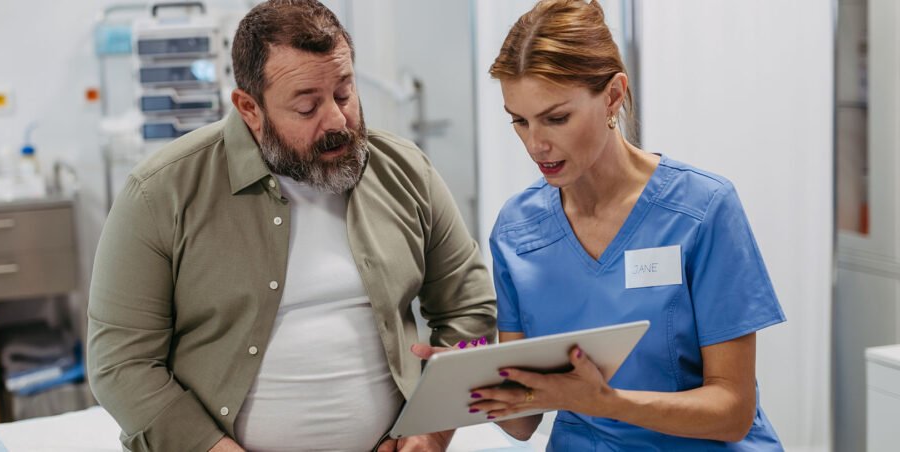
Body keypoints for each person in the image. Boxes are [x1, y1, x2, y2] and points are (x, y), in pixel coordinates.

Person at [86, 1, 496, 451]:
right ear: (249, 108)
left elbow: (469, 309)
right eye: (307, 107)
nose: (338, 121)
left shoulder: (404, 171)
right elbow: (120, 364)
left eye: (344, 93)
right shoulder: (161, 193)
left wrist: (433, 429)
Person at [465, 0, 787, 450]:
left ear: (614, 95)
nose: (535, 144)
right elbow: (523, 423)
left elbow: (732, 412)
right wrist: (470, 381)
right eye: (519, 120)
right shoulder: (518, 231)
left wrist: (606, 401)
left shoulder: (702, 210)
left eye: (556, 118)